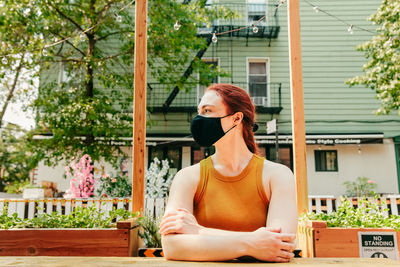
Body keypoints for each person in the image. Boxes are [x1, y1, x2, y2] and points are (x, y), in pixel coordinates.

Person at [160, 83, 298, 262]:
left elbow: (280, 246)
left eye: (207, 111)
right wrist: (251, 243)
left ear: (236, 118)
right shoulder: (187, 177)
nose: (199, 119)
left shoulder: (277, 175)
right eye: (199, 112)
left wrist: (199, 231)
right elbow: (172, 247)